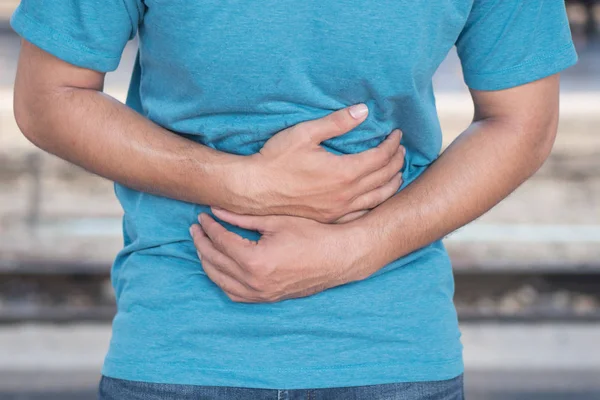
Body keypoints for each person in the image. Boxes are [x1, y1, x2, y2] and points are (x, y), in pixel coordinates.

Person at [11, 1, 577, 399]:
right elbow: (47, 98)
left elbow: (522, 121)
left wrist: (359, 247)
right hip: (181, 352)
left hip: (391, 354)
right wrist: (244, 183)